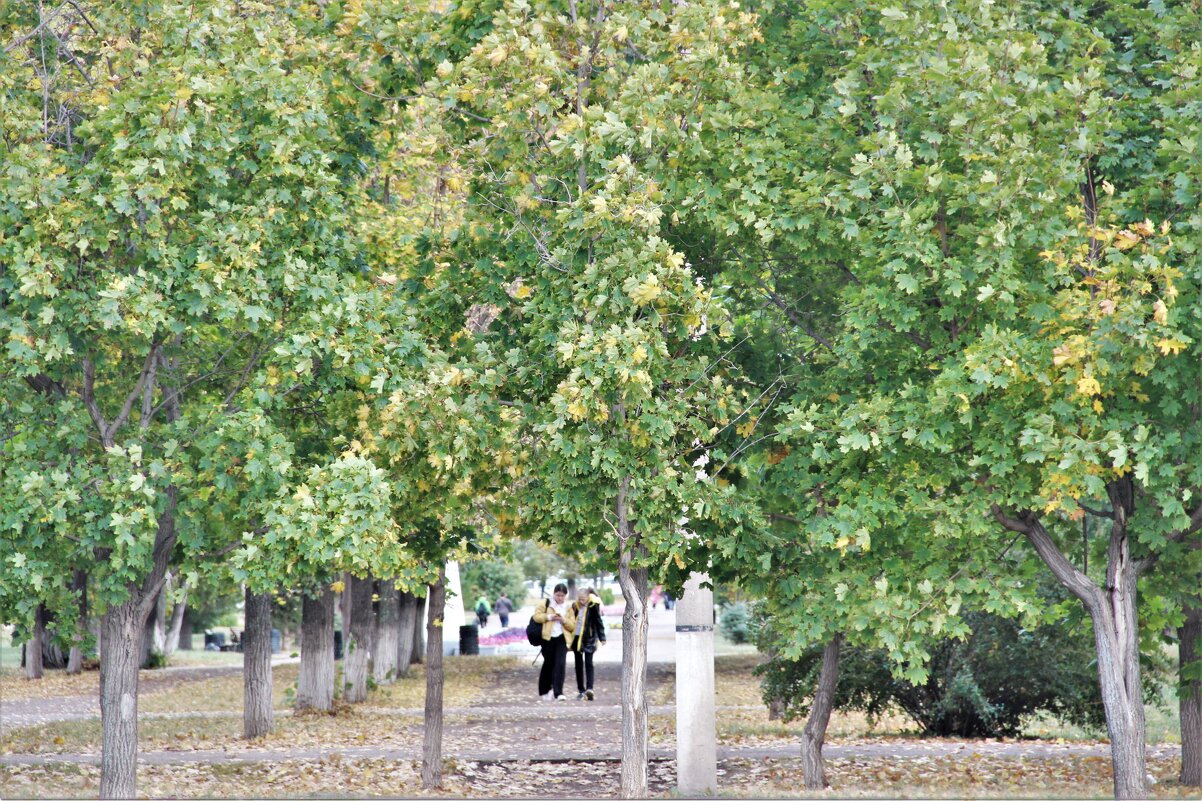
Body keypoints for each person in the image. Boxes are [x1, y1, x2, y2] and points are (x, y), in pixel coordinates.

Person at [532, 583, 575, 700]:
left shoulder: (568, 607)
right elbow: (536, 616)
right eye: (558, 595)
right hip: (548, 638)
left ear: (565, 595)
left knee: (560, 665)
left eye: (562, 596)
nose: (560, 598)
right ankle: (545, 689)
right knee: (549, 664)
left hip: (562, 638)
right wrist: (549, 617)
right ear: (554, 594)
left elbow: (572, 626)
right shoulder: (546, 603)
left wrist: (563, 620)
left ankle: (558, 692)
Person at [569, 587, 606, 701]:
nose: (582, 601)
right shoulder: (574, 606)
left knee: (589, 664)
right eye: (580, 599)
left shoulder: (592, 606)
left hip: (589, 639)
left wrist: (602, 637)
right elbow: (570, 621)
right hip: (576, 639)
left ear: (588, 597)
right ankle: (581, 690)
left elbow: (598, 622)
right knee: (578, 665)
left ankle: (590, 689)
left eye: (583, 599)